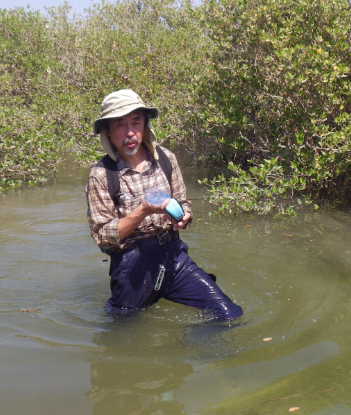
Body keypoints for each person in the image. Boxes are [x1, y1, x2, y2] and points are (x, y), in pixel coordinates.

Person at [85, 89, 243, 320]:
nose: (130, 132)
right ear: (107, 132)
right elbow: (104, 237)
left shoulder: (166, 159)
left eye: (136, 122)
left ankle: (186, 348)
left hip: (175, 258)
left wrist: (185, 216)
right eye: (120, 125)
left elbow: (183, 202)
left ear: (145, 125)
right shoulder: (101, 175)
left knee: (230, 314)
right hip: (132, 267)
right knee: (122, 335)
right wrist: (143, 211)